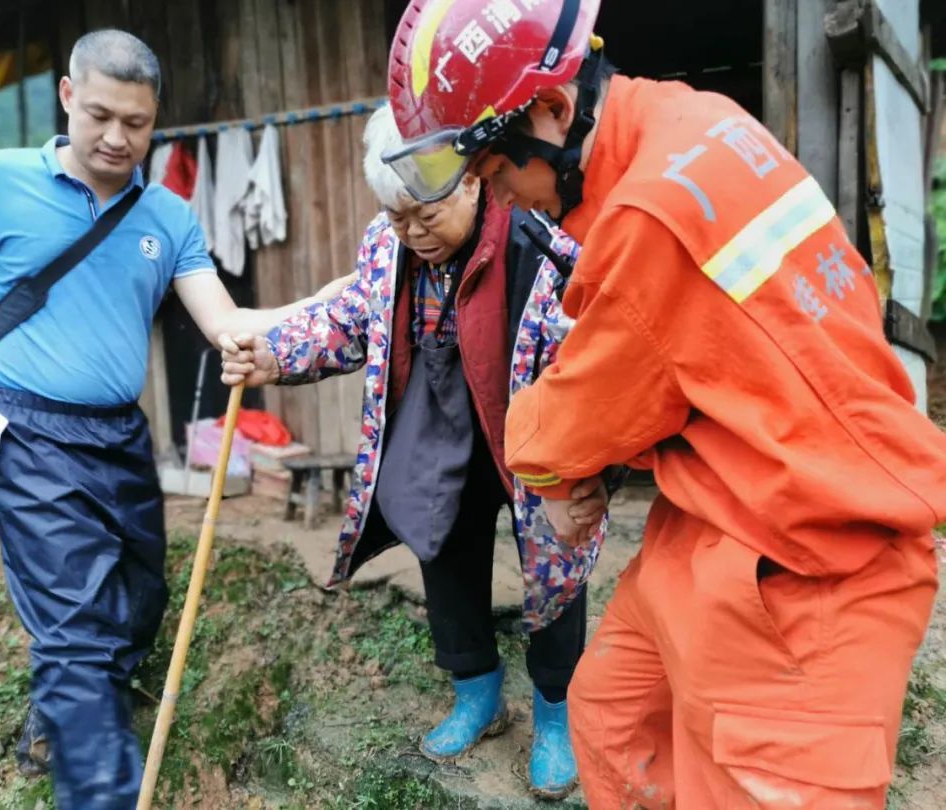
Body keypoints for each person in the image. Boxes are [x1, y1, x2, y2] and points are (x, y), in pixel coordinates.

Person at [382, 1, 946, 808]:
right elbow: (649, 366)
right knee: (613, 719)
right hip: (722, 517)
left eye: (499, 173)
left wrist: (557, 470)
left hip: (808, 572)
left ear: (552, 111)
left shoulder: (651, 218)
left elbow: (561, 426)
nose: (500, 203)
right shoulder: (695, 118)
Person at [0, 29, 345, 809]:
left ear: (154, 119)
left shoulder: (168, 216)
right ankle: (98, 783)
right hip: (25, 430)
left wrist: (332, 300)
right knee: (76, 625)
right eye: (101, 115)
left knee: (139, 597)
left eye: (136, 123)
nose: (117, 138)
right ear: (68, 97)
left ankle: (62, 712)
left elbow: (225, 320)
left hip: (118, 434)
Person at [220, 105, 618, 799]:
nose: (409, 232)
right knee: (442, 546)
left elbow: (596, 364)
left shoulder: (534, 239)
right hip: (439, 418)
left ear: (471, 181)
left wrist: (587, 472)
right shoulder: (387, 244)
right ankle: (478, 692)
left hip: (533, 436)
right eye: (395, 216)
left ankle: (558, 712)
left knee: (555, 569)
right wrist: (274, 354)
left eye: (422, 215)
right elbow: (346, 322)